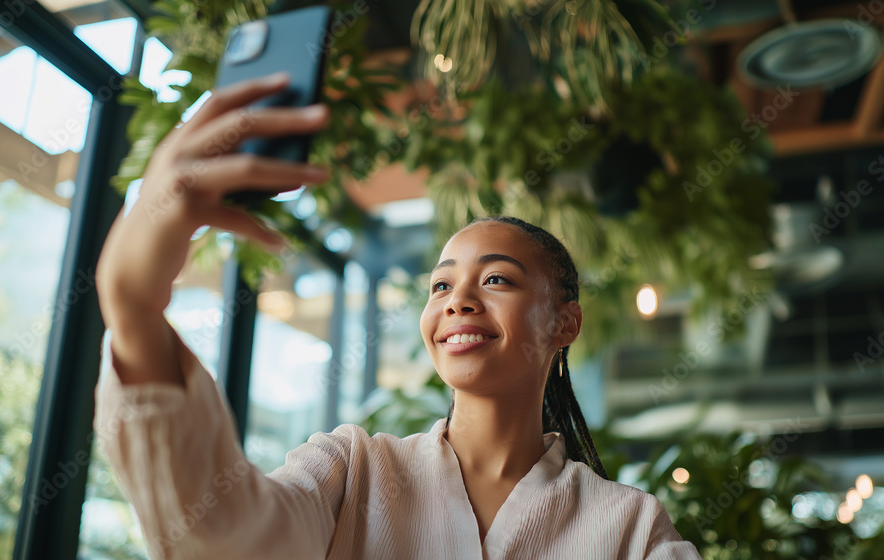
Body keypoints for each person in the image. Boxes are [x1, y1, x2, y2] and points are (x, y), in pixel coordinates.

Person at [93, 73, 702, 559]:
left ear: (564, 323)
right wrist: (134, 308)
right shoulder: (351, 469)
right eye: (440, 286)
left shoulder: (629, 529)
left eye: (495, 279)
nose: (457, 301)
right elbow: (230, 537)